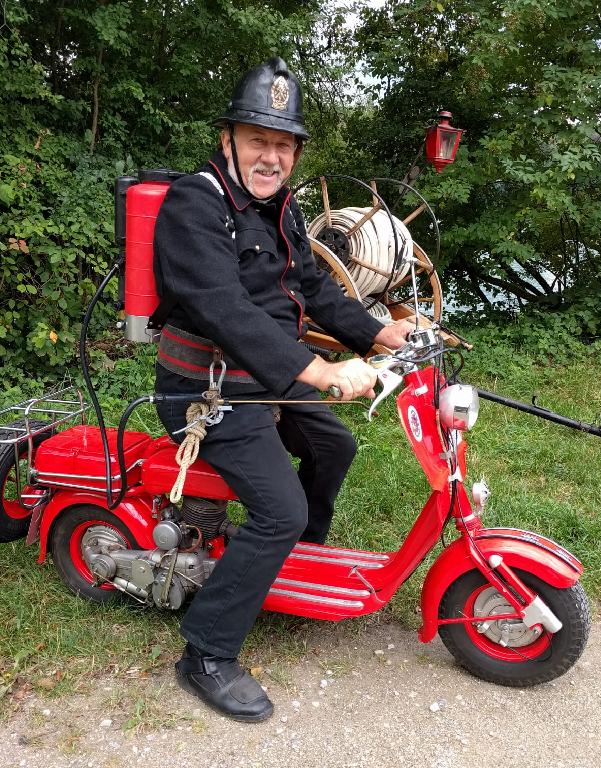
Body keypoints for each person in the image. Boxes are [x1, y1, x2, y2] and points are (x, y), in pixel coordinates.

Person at [152, 57, 414, 722]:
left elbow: (312, 287)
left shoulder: (280, 206)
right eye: (257, 140)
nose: (271, 156)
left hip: (265, 381)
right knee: (279, 509)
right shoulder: (194, 204)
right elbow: (224, 309)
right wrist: (319, 371)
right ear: (228, 140)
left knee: (334, 449)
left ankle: (287, 563)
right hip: (206, 391)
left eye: (283, 145)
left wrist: (377, 333)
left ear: (295, 153)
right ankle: (206, 653)